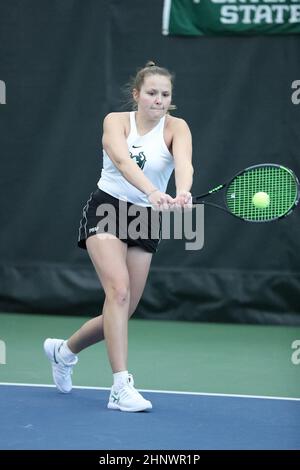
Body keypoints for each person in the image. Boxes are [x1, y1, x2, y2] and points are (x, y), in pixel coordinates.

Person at [44, 61, 193, 412]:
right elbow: (124, 162)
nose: (159, 100)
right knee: (119, 291)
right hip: (108, 208)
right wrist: (153, 192)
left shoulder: (177, 127)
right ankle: (120, 386)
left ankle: (64, 352)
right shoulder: (115, 121)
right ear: (137, 95)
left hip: (146, 219)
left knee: (121, 312)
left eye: (165, 94)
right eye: (152, 93)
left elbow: (185, 164)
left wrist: (183, 191)